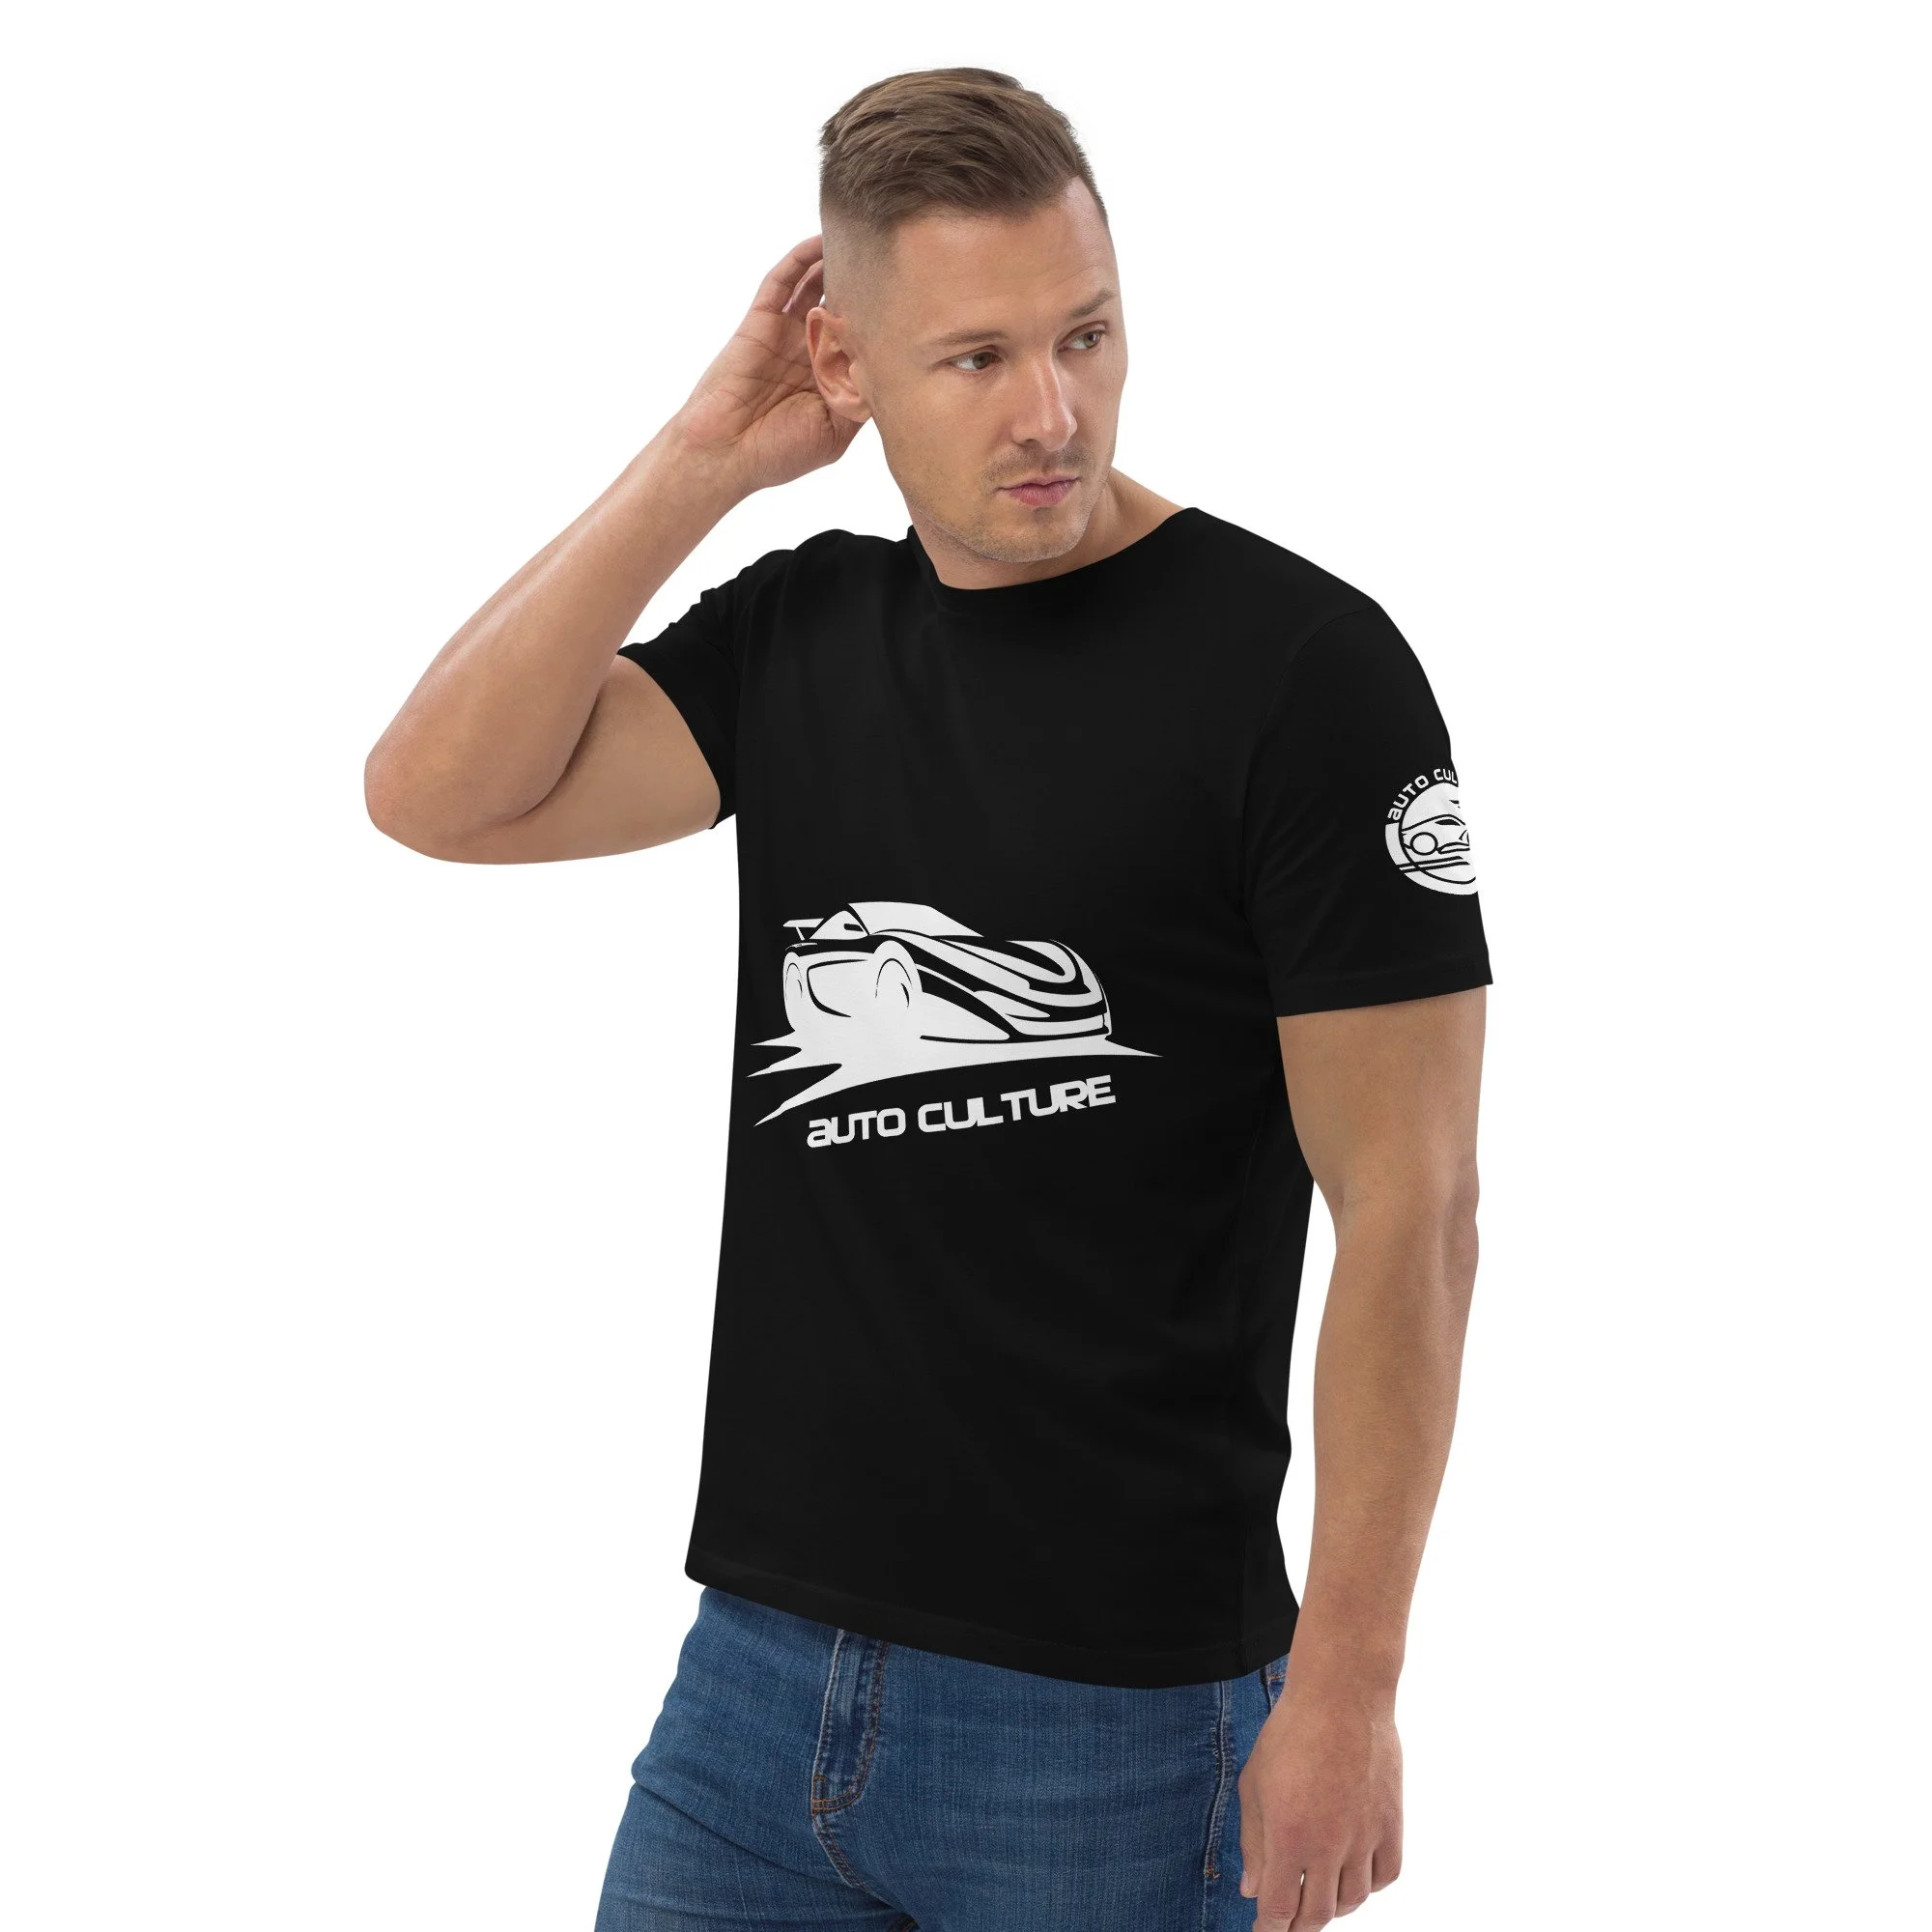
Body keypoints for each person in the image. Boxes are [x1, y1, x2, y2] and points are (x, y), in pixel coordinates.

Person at [365, 65, 1489, 1932]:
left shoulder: (1305, 673)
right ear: (849, 360)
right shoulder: (800, 634)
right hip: (756, 1684)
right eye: (975, 358)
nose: (1053, 412)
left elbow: (1416, 1212)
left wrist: (1350, 1688)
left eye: (1086, 335)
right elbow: (436, 795)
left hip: (1118, 1725)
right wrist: (702, 460)